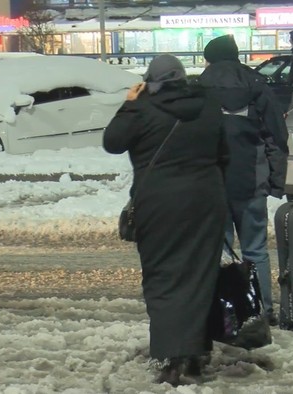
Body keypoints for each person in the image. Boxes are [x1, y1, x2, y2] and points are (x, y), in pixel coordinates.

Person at [103, 54, 228, 386]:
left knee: (163, 279)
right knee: (200, 277)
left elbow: (112, 142)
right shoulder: (208, 104)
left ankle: (172, 358)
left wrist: (129, 103)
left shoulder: (143, 107)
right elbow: (224, 154)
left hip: (159, 205)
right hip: (206, 200)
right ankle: (197, 354)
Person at [198, 34, 289, 326]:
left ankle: (222, 315)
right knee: (255, 251)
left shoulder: (198, 88)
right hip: (251, 180)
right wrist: (276, 180)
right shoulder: (257, 86)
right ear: (236, 56)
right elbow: (276, 136)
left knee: (219, 252)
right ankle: (263, 312)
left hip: (211, 183)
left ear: (209, 59)